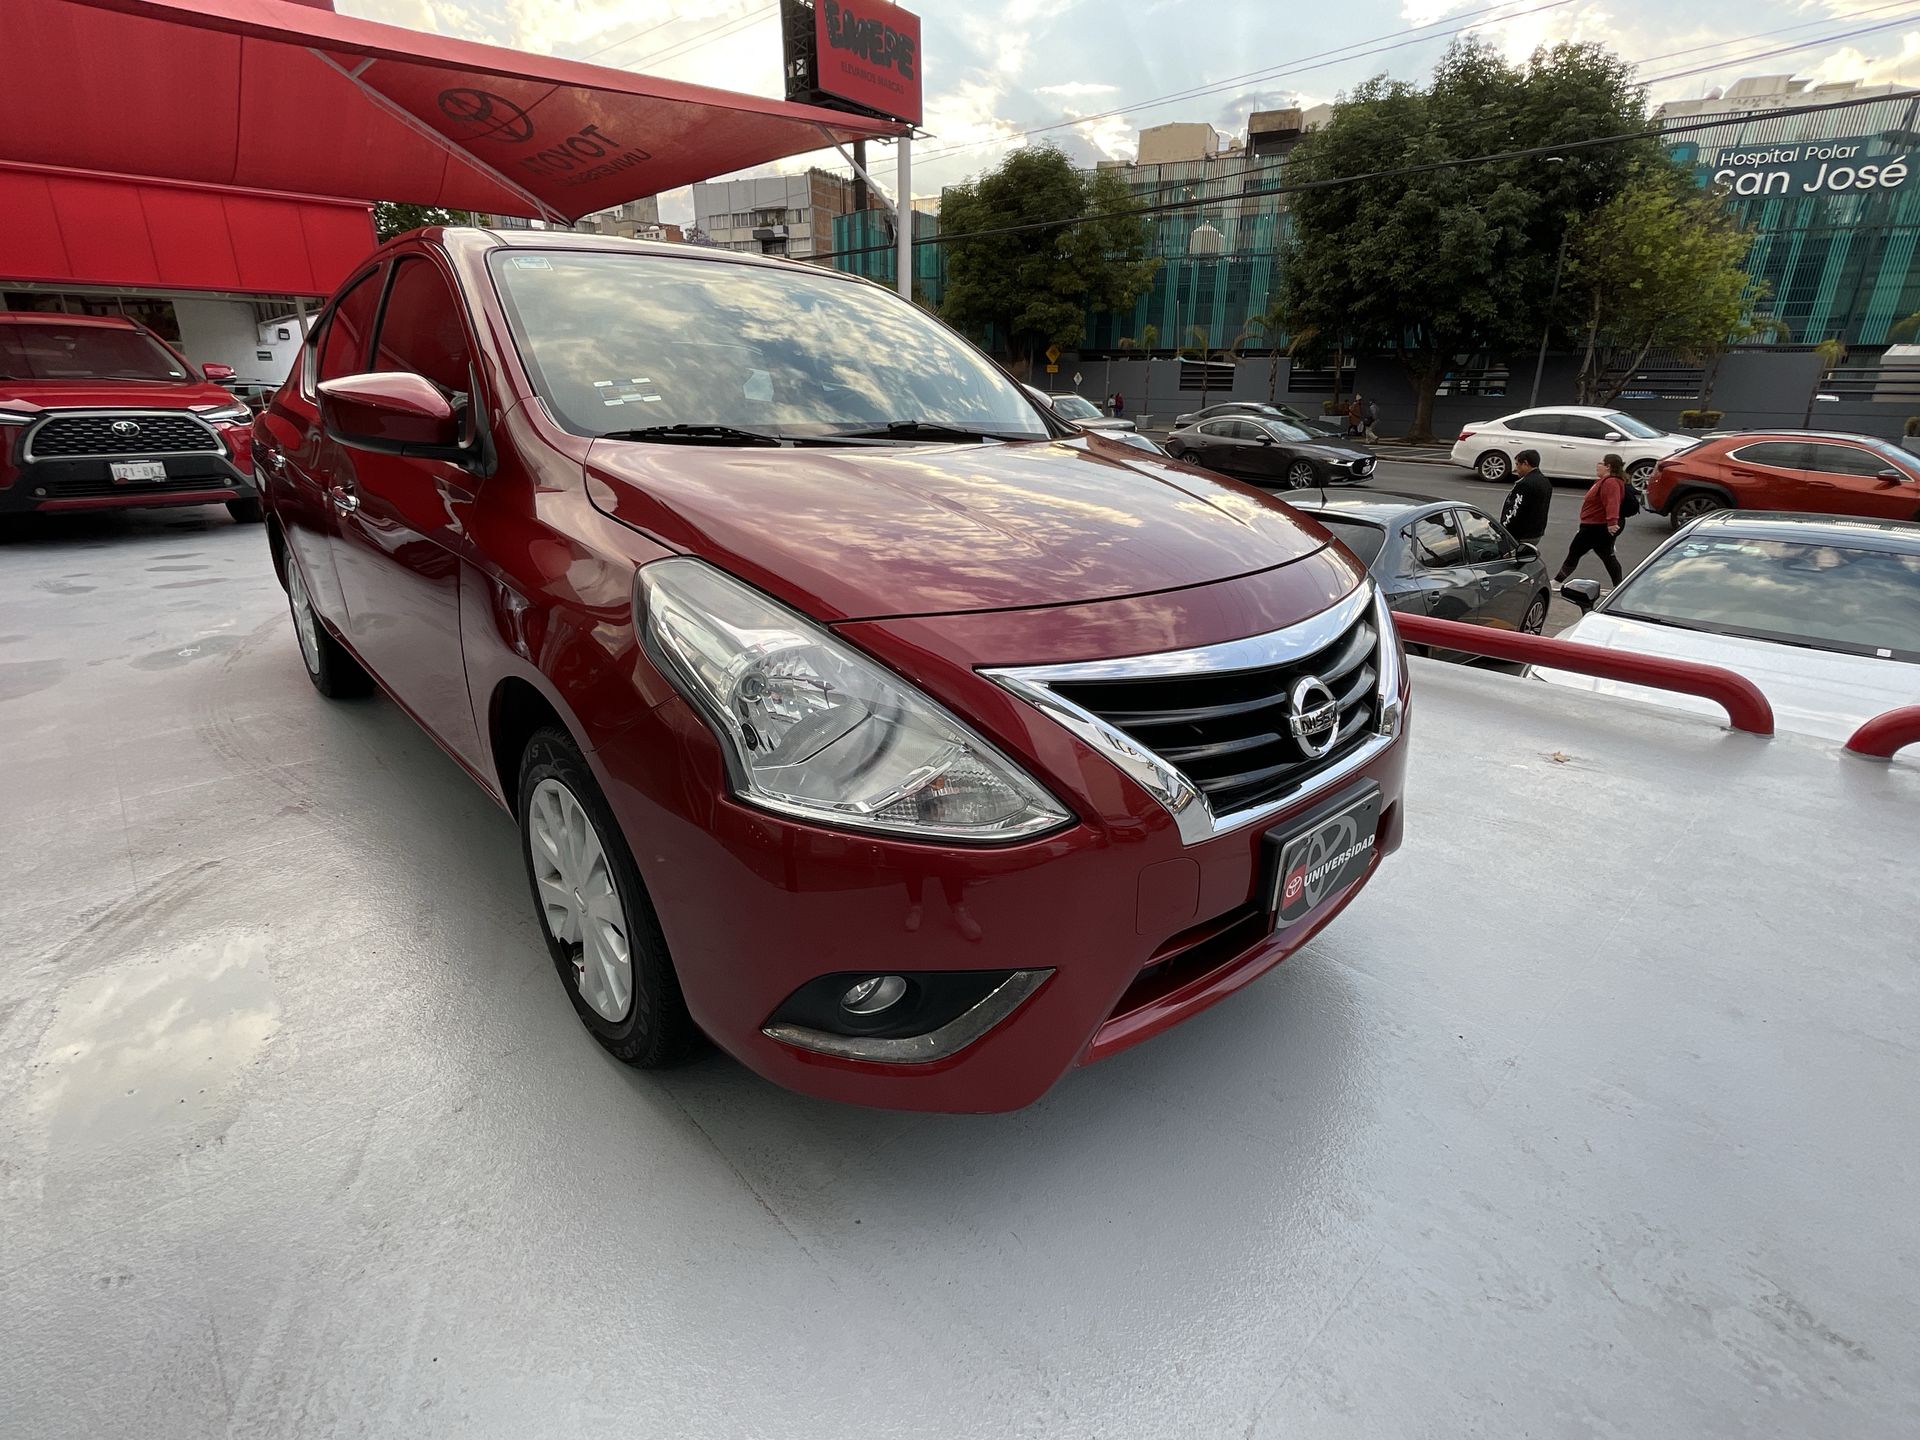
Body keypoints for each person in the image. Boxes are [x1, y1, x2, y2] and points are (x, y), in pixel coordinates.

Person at [1556, 452, 1627, 587]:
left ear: (1608, 466)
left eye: (1600, 463)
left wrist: (1612, 522)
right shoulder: (1604, 481)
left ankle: (1557, 582)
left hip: (1596, 526)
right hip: (1594, 525)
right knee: (1606, 555)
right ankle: (1619, 586)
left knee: (1575, 551)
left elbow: (1612, 502)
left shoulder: (1611, 482)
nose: (1597, 465)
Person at [1500, 449, 1552, 545]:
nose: (1515, 469)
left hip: (1520, 535)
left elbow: (1514, 511)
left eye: (1517, 464)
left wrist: (1503, 530)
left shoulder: (1525, 484)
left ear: (1525, 463)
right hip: (1536, 533)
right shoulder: (1545, 482)